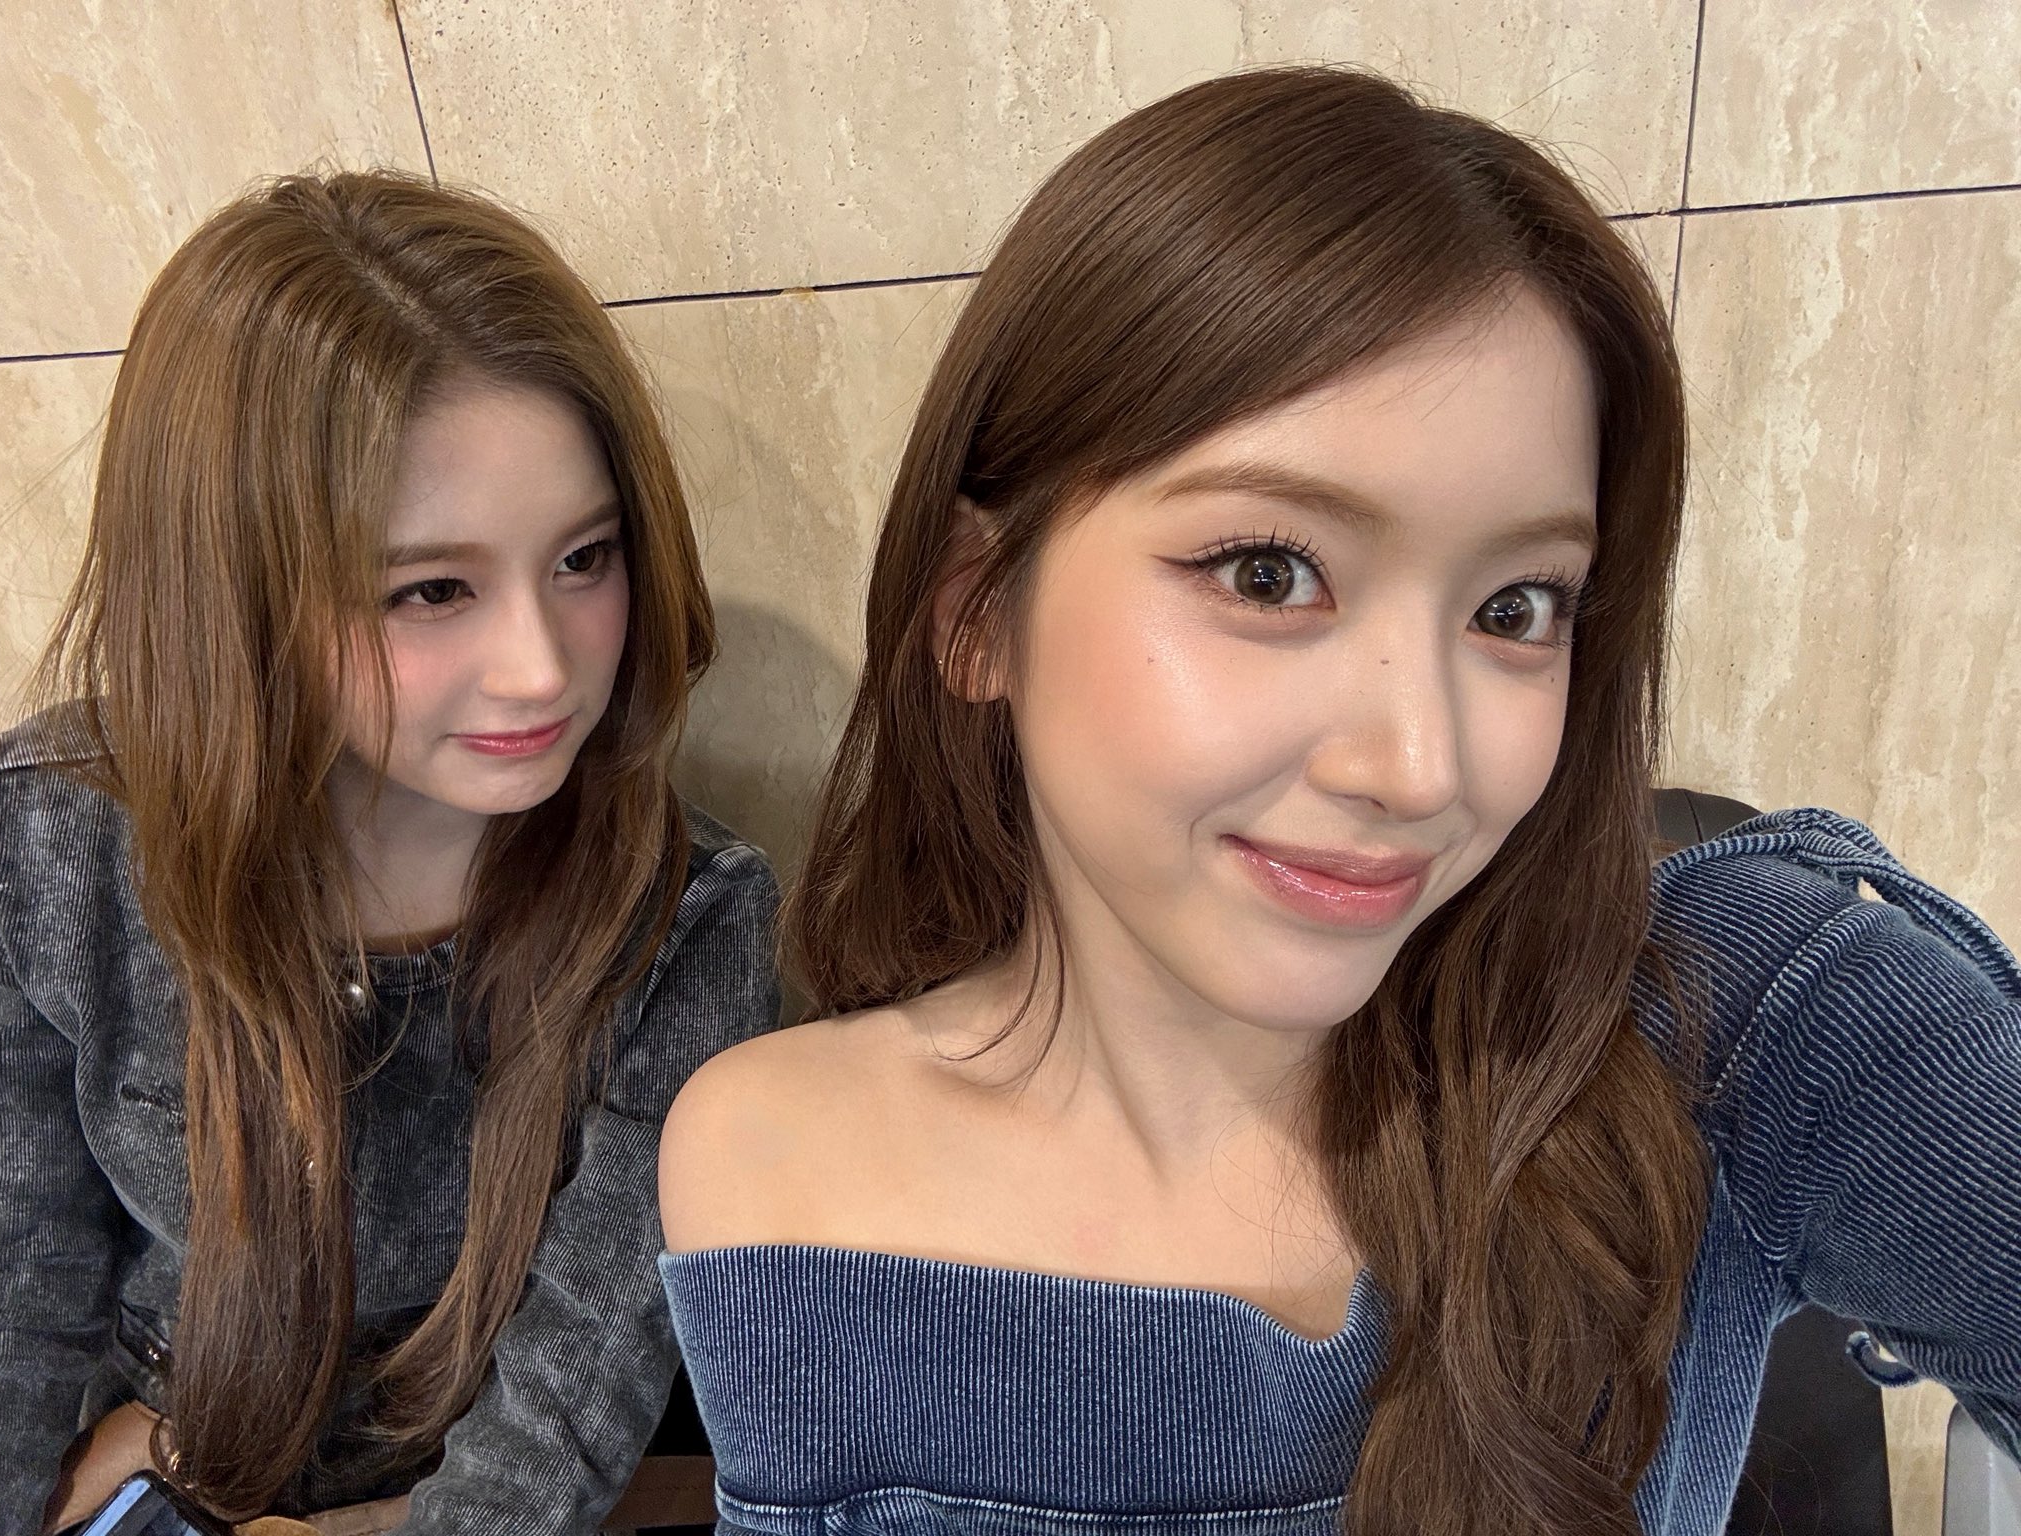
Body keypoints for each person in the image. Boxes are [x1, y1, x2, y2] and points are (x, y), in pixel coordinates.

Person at [654, 66, 2021, 1536]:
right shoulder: (765, 1168)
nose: (1420, 767)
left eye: (1515, 606)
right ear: (979, 612)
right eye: (1269, 574)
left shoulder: (1731, 1028)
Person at [0, 170, 779, 1534]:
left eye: (584, 558)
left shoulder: (687, 917)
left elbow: (566, 1413)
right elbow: (8, 1312)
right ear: (238, 592)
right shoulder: (46, 844)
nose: (541, 667)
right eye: (433, 589)